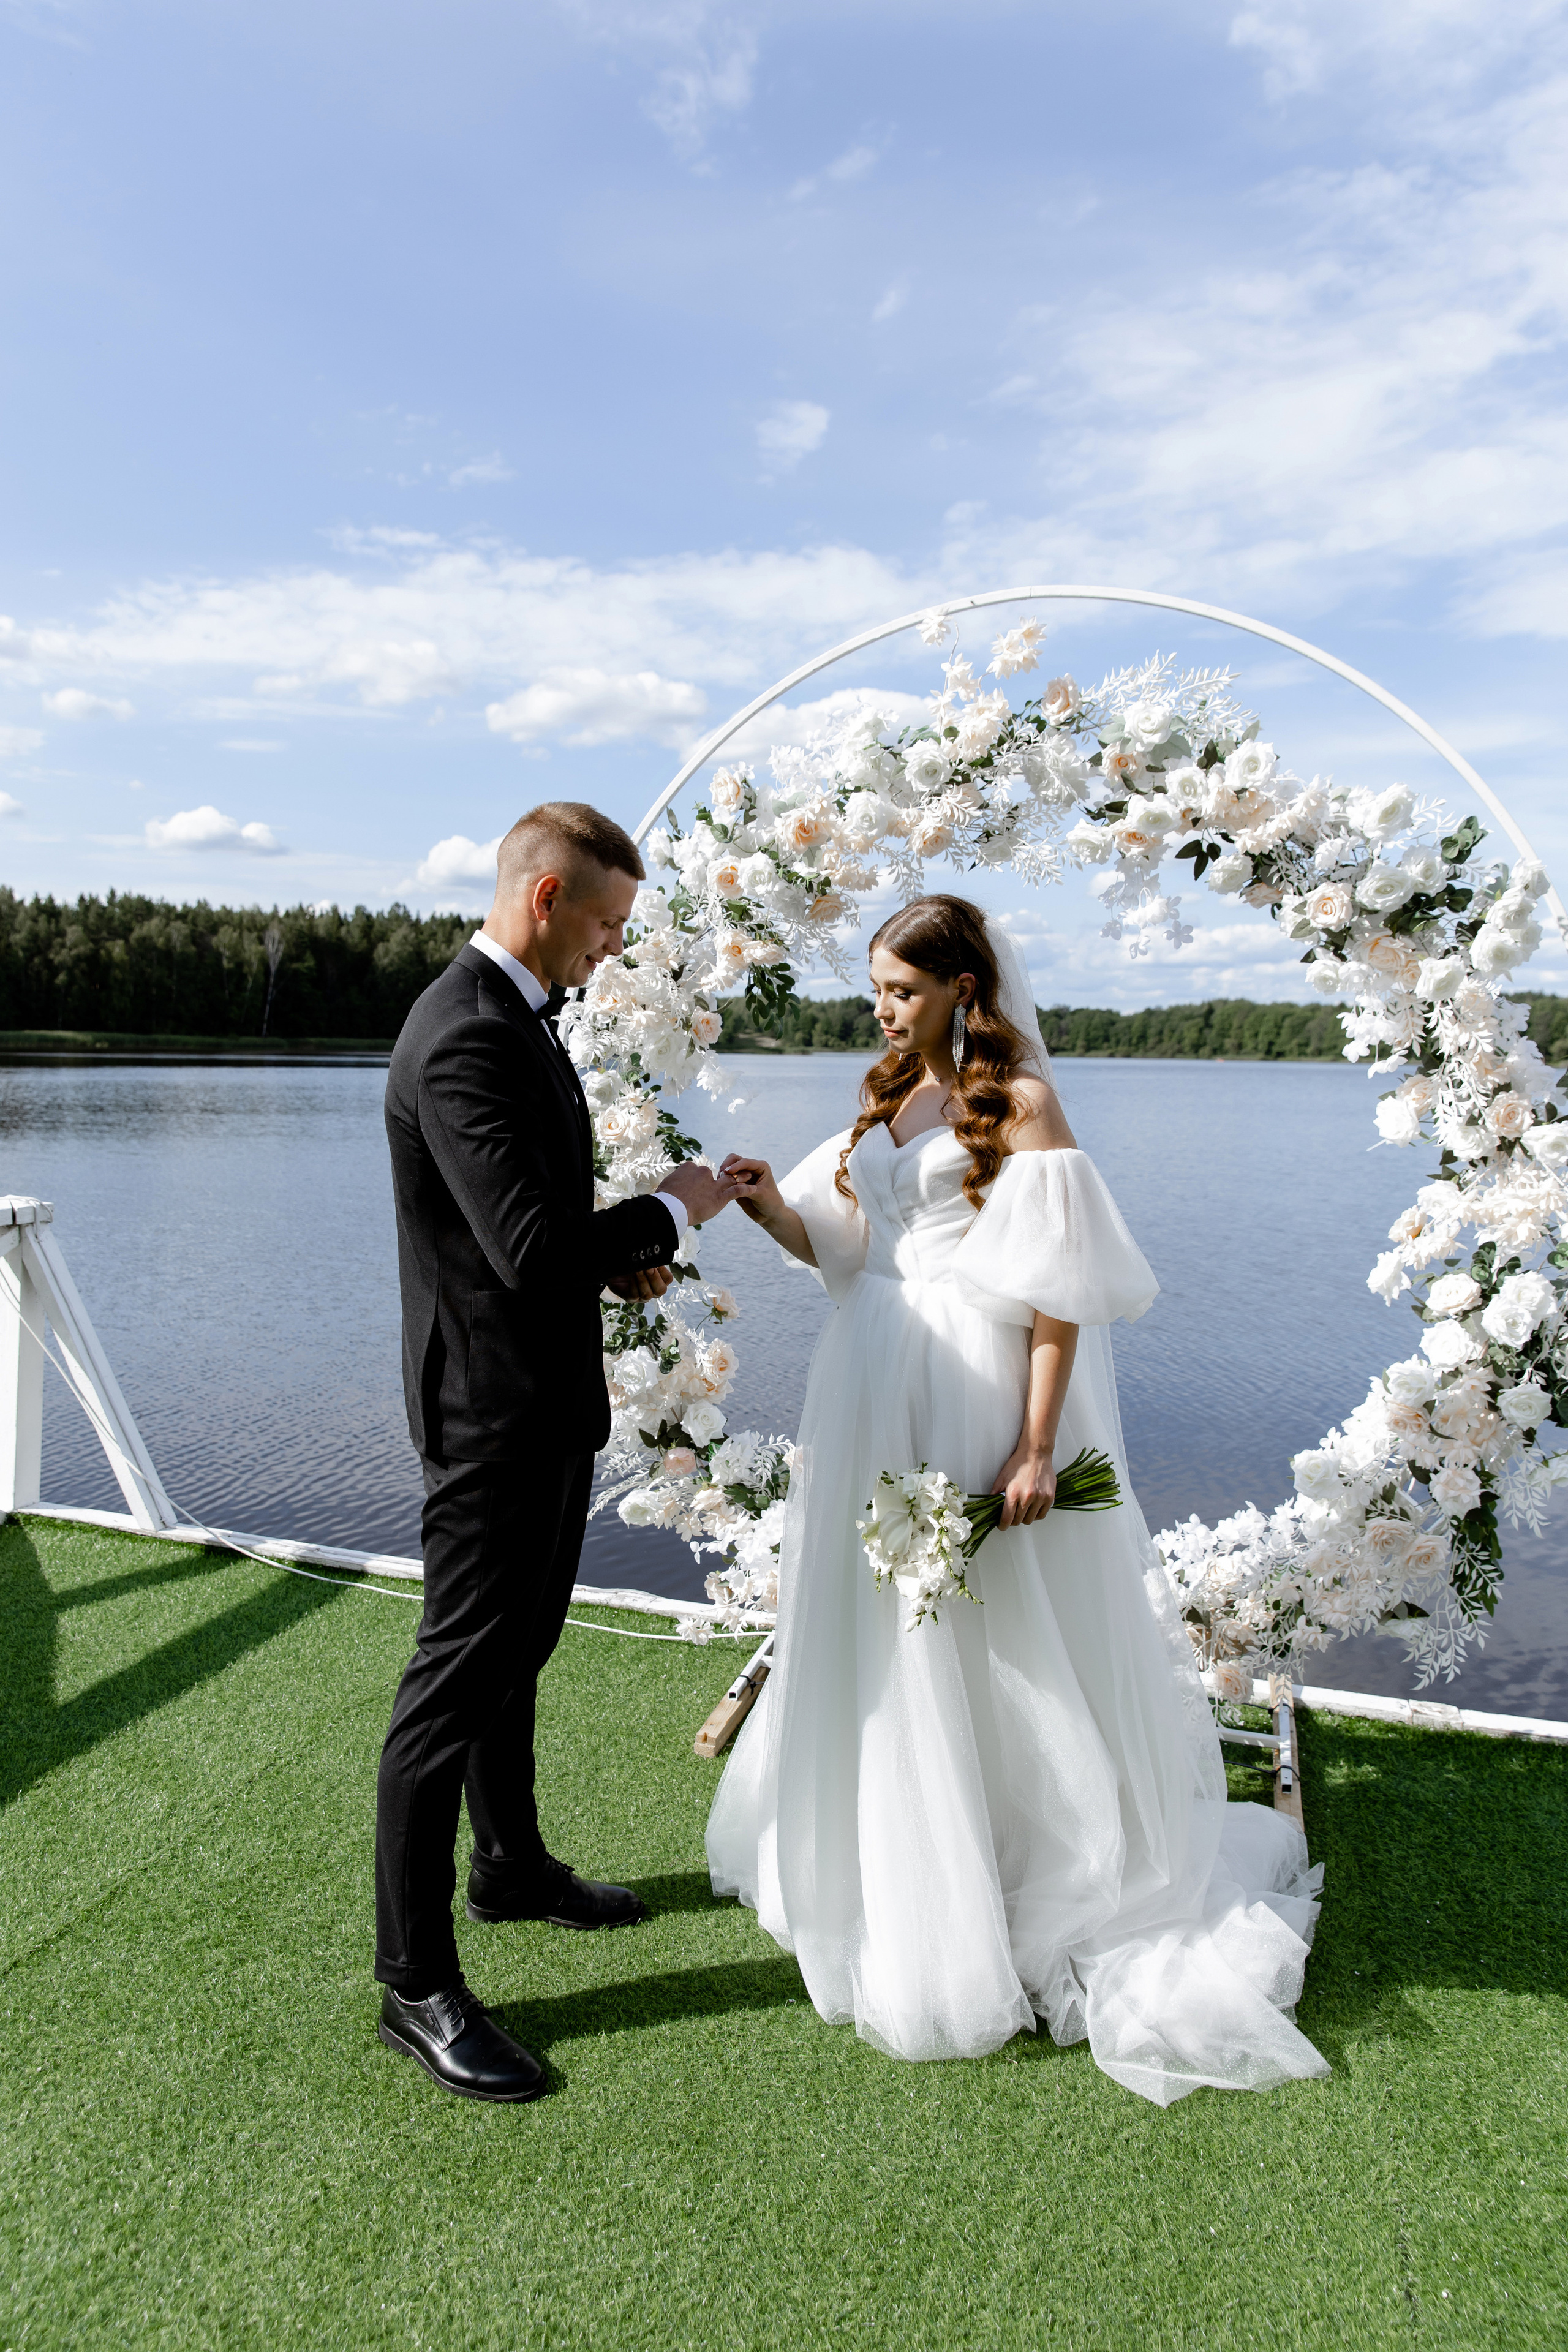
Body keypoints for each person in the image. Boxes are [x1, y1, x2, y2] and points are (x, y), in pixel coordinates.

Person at [708, 894, 1329, 2105]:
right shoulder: (883, 1095)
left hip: (973, 1386)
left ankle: (1018, 1864)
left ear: (959, 985)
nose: (878, 1006)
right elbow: (840, 1254)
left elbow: (1059, 1294)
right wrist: (763, 1205)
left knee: (990, 1624)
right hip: (868, 1375)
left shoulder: (1023, 1103)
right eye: (875, 987)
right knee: (886, 1619)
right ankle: (902, 1861)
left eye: (898, 986)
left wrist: (1037, 1447)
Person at [376, 801, 741, 2101]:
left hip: (535, 1394)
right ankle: (416, 1986)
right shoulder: (466, 1034)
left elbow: (523, 1232)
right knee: (453, 1680)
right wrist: (674, 1206)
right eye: (603, 924)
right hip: (486, 1416)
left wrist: (624, 1257)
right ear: (545, 902)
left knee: (518, 1645)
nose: (608, 950)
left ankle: (510, 1865)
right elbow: (529, 1253)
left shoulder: (511, 1020)